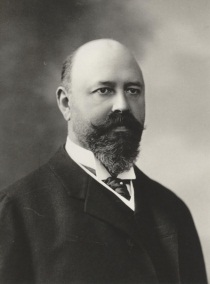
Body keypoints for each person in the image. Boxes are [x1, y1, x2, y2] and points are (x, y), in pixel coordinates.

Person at [0, 39, 207, 284]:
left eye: (133, 90)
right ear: (66, 103)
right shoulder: (15, 211)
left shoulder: (173, 210)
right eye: (104, 90)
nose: (122, 106)